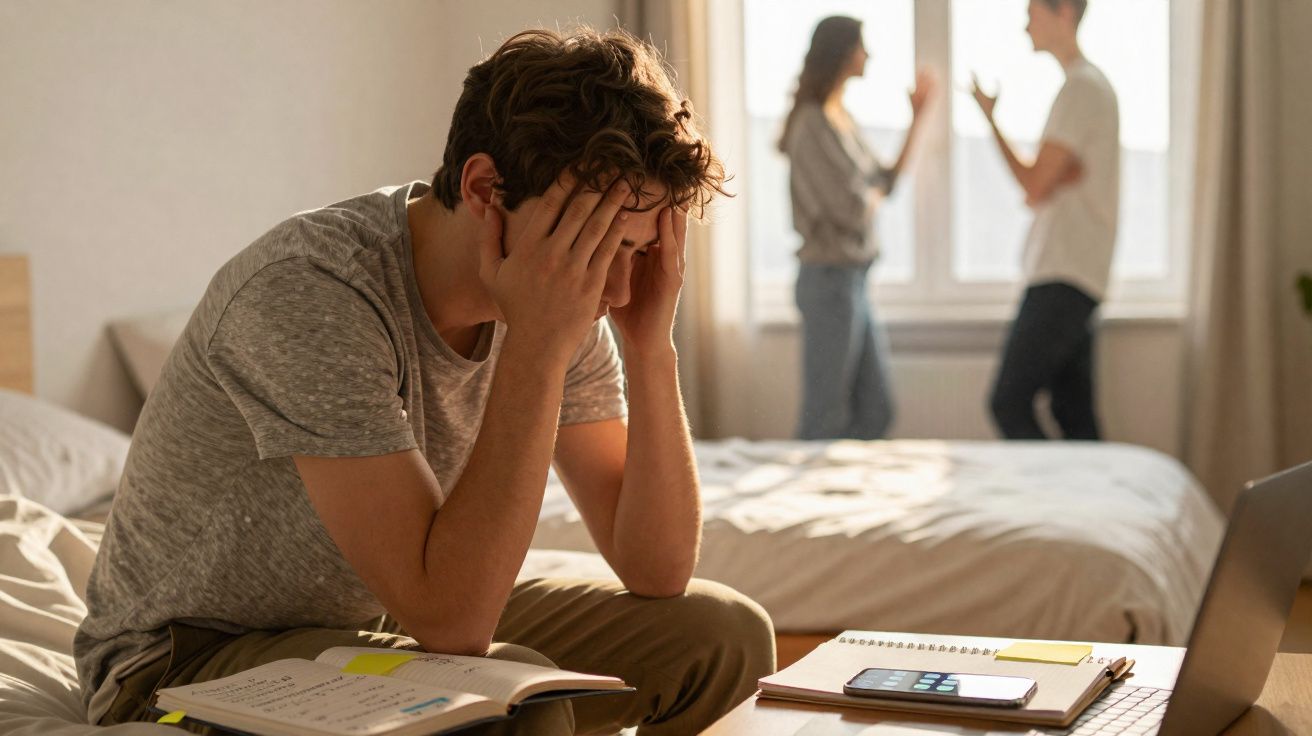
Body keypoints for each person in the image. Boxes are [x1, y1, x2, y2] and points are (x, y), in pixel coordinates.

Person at [74, 28, 775, 735]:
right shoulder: (311, 289)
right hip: (183, 662)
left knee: (722, 636)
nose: (617, 287)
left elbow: (656, 569)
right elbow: (453, 621)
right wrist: (536, 346)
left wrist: (652, 346)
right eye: (595, 246)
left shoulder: (568, 292)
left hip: (378, 616)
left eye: (637, 249)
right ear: (484, 189)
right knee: (512, 711)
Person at [780, 15, 934, 441]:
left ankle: (851, 496)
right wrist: (868, 194)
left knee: (876, 411)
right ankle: (814, 502)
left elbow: (883, 183)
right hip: (828, 281)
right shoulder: (811, 123)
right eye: (861, 46)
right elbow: (851, 208)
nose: (868, 54)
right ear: (843, 53)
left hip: (853, 280)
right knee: (824, 417)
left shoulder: (840, 118)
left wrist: (917, 118)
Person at [971, 0, 1119, 440]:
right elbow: (1047, 182)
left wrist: (990, 118)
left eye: (1032, 13)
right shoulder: (1088, 88)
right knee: (1073, 411)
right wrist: (1051, 177)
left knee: (1008, 401)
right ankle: (1089, 501)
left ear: (1063, 15)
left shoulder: (1082, 88)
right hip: (1076, 269)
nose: (1024, 24)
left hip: (1064, 271)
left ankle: (1058, 500)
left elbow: (1034, 185)